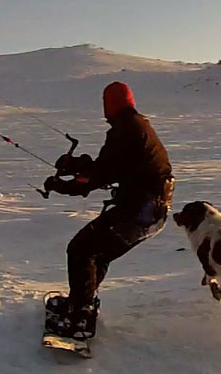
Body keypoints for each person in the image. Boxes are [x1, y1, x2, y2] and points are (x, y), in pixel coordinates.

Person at [42, 81, 174, 340]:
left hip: (140, 213)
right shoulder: (135, 126)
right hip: (151, 212)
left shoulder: (125, 130)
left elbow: (98, 178)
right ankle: (81, 304)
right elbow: (113, 167)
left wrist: (62, 184)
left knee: (81, 250)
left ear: (110, 105)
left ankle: (79, 318)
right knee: (96, 253)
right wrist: (77, 166)